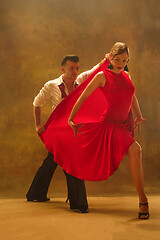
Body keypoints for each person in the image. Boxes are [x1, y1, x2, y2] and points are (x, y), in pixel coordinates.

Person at [39, 42, 149, 220]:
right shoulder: (101, 76)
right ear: (111, 58)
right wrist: (70, 118)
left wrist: (138, 115)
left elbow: (131, 94)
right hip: (111, 125)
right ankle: (143, 201)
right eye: (118, 59)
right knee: (137, 150)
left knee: (136, 154)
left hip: (125, 123)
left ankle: (143, 200)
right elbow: (81, 98)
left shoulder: (127, 75)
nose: (121, 63)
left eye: (125, 60)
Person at [26, 54, 107, 213]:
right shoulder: (51, 85)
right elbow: (37, 103)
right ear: (63, 69)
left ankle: (35, 193)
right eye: (72, 68)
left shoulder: (81, 79)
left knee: (51, 161)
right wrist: (38, 125)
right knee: (72, 161)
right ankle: (78, 203)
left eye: (77, 68)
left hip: (73, 129)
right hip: (58, 130)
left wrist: (107, 59)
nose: (75, 72)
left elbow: (95, 70)